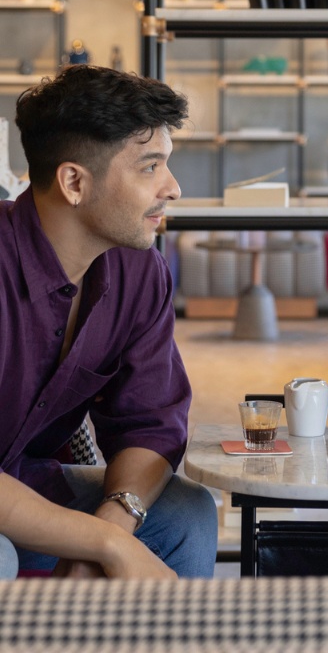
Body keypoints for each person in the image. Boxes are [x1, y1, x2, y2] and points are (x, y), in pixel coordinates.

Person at [0, 65, 218, 579]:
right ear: (74, 181)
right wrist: (104, 543)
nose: (174, 188)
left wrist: (114, 525)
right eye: (149, 167)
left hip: (25, 483)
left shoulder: (138, 271)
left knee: (187, 515)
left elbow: (151, 422)